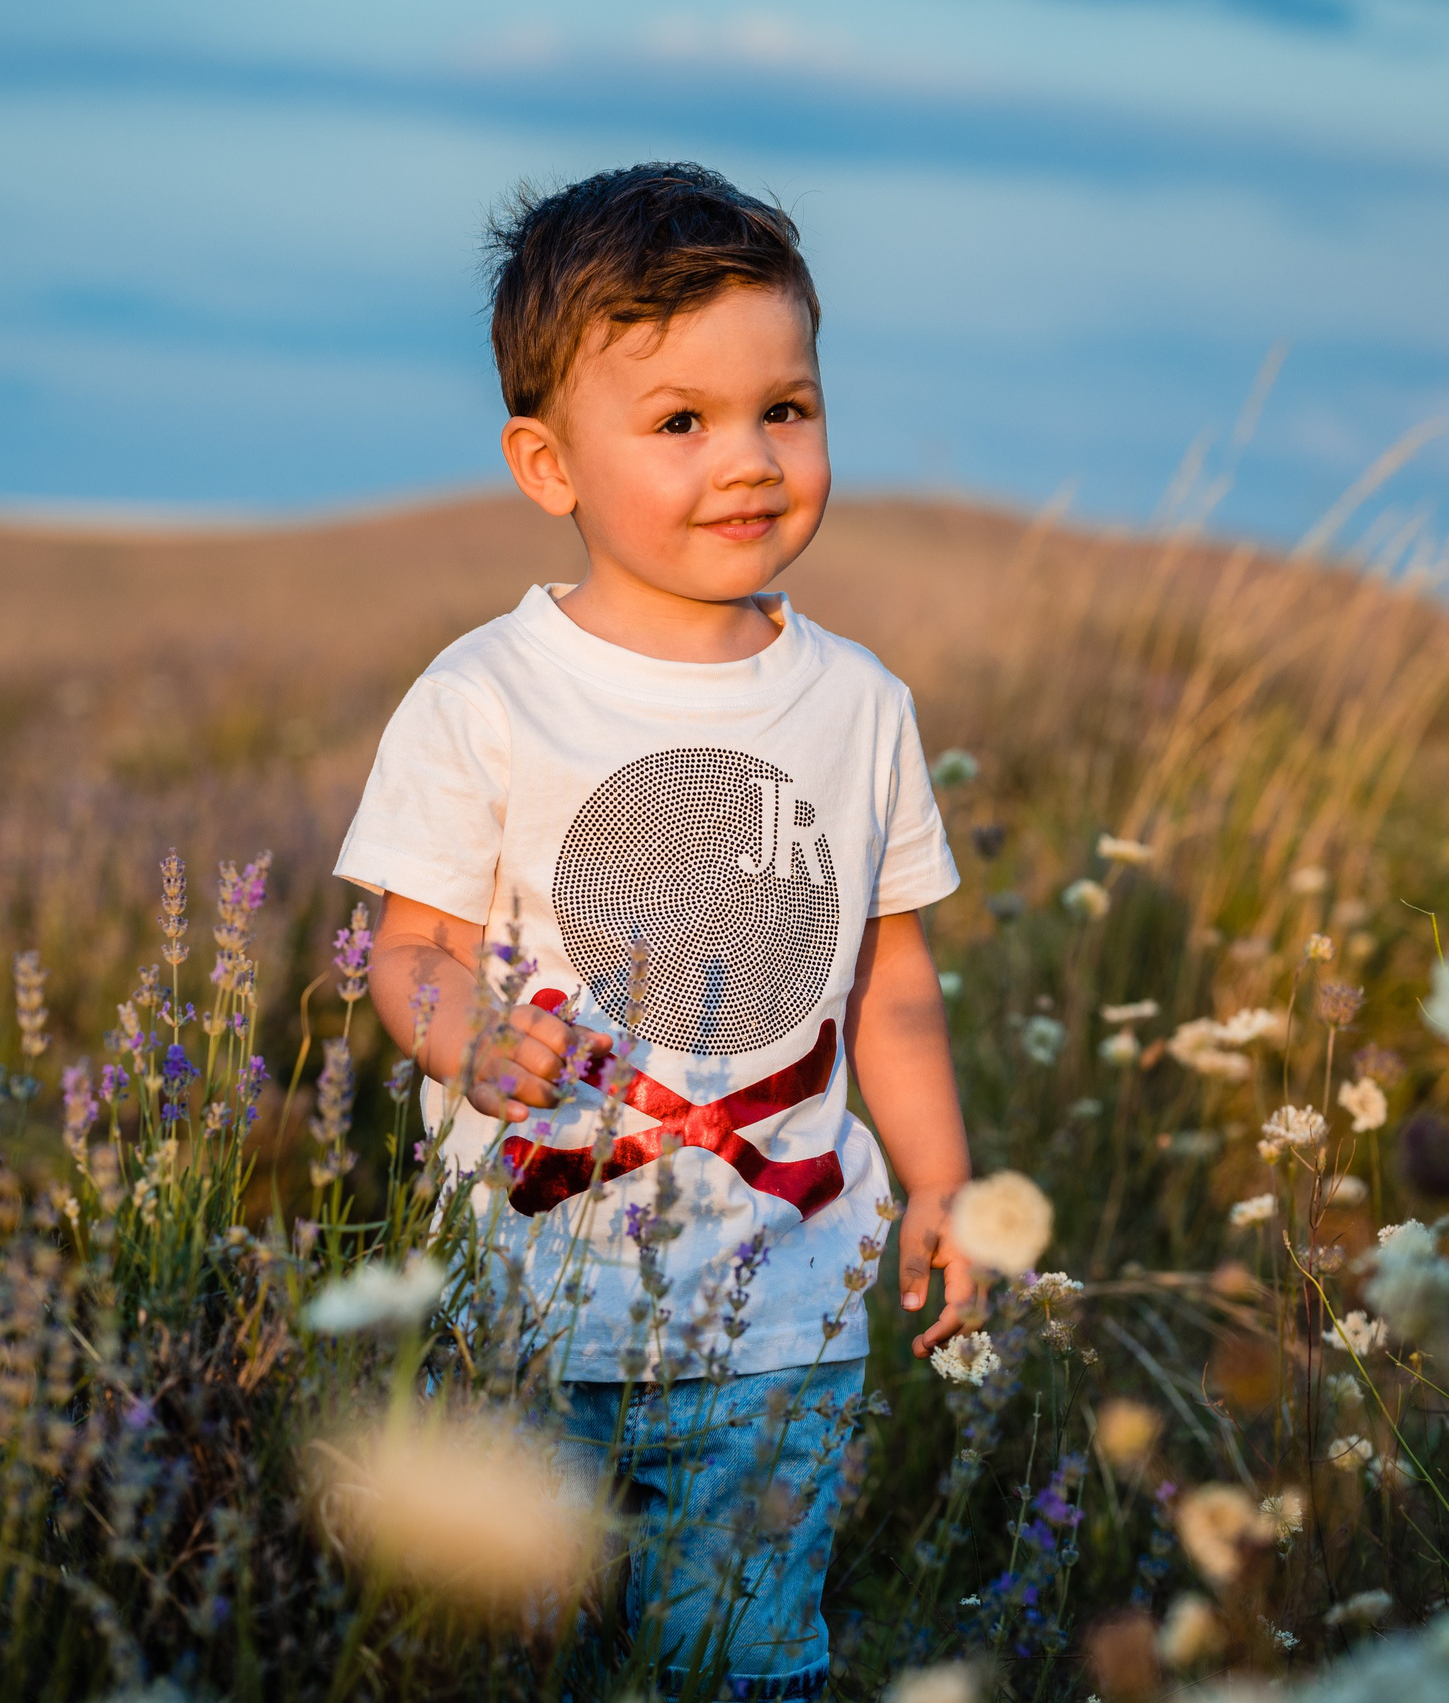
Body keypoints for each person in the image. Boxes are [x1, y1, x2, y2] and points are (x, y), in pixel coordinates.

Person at [334, 161, 976, 1699]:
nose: (748, 461)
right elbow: (404, 955)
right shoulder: (488, 696)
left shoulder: (859, 702)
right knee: (522, 1656)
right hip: (537, 1301)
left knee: (741, 1660)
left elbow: (890, 981)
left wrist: (948, 1183)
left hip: (788, 1305)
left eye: (787, 409)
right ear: (548, 464)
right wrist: (465, 1037)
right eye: (681, 423)